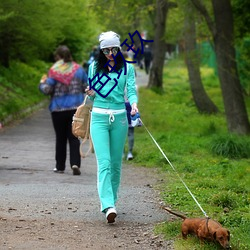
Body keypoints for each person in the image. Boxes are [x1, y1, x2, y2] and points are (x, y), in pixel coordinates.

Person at [85, 31, 138, 223]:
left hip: (120, 118)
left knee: (116, 164)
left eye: (113, 49)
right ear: (101, 50)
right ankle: (107, 204)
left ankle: (112, 201)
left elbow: (131, 90)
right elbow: (91, 96)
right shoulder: (94, 68)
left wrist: (133, 104)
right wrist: (90, 92)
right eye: (105, 50)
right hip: (98, 117)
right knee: (104, 163)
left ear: (118, 49)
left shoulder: (127, 69)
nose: (109, 53)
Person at [39, 45, 88, 175]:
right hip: (75, 109)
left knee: (60, 138)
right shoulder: (79, 70)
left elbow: (47, 90)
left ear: (58, 57)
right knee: (74, 137)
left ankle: (60, 166)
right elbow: (86, 87)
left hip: (58, 109)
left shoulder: (54, 71)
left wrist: (42, 83)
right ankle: (75, 163)